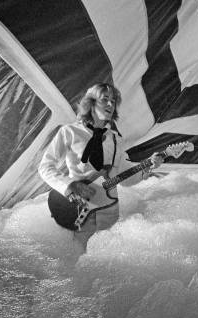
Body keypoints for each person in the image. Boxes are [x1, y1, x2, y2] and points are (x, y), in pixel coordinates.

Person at [38, 83, 163, 253]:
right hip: (79, 209)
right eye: (105, 100)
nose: (111, 105)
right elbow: (45, 166)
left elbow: (124, 177)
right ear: (91, 103)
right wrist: (68, 186)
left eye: (113, 101)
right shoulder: (69, 132)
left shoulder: (115, 140)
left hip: (109, 210)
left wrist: (148, 166)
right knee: (77, 256)